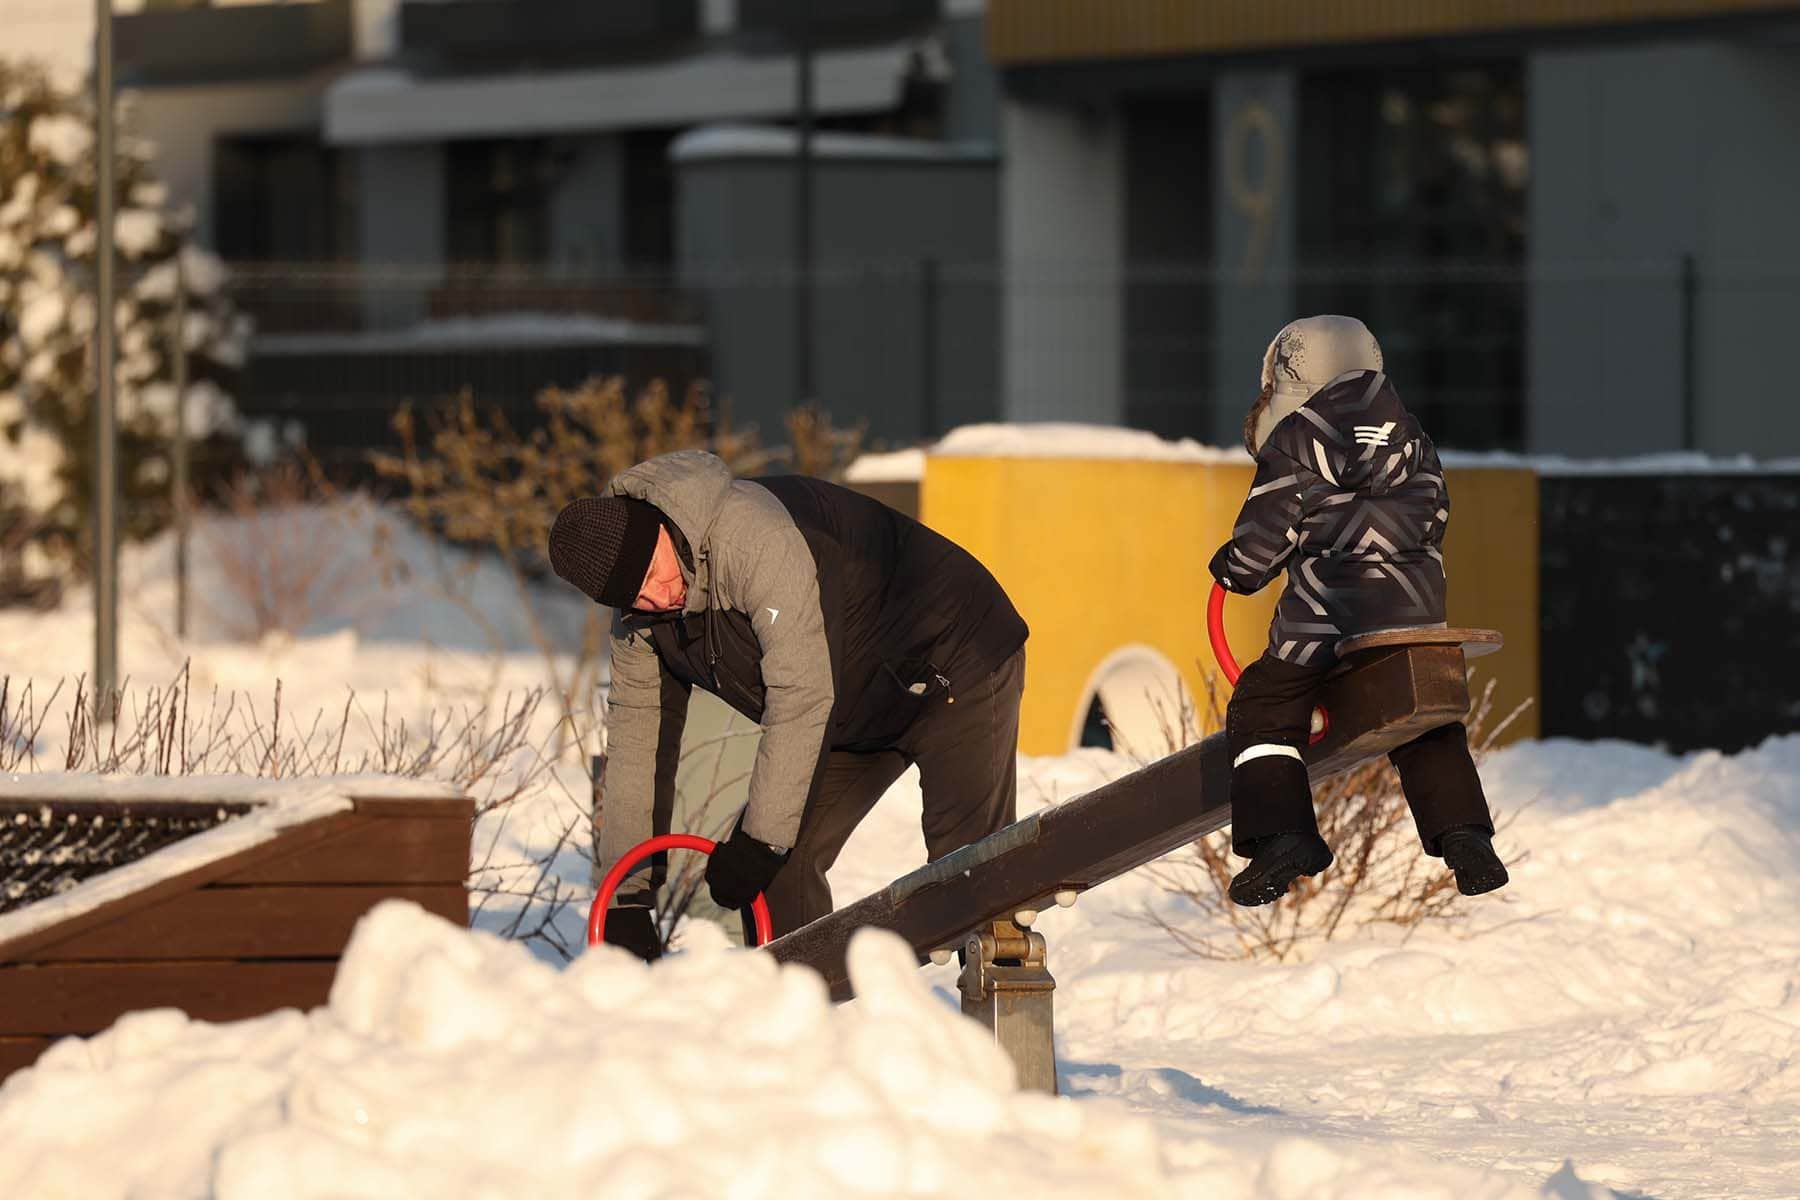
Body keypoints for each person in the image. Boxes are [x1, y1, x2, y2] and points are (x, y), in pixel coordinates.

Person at [548, 449, 1028, 959]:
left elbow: (799, 696)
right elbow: (636, 744)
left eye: (653, 570)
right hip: (851, 701)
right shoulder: (641, 623)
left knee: (971, 880)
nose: (659, 595)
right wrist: (626, 896)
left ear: (662, 528)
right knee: (780, 875)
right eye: (636, 593)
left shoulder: (752, 538)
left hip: (954, 656)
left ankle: (1000, 1028)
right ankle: (810, 1021)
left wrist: (760, 841)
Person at [1210, 315, 1509, 907]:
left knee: (1265, 703)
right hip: (1415, 615)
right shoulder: (1415, 437)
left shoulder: (1297, 437)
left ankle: (1282, 837)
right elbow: (1435, 519)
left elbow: (1264, 537)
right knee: (1420, 716)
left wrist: (1233, 569)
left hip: (1328, 614)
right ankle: (1465, 837)